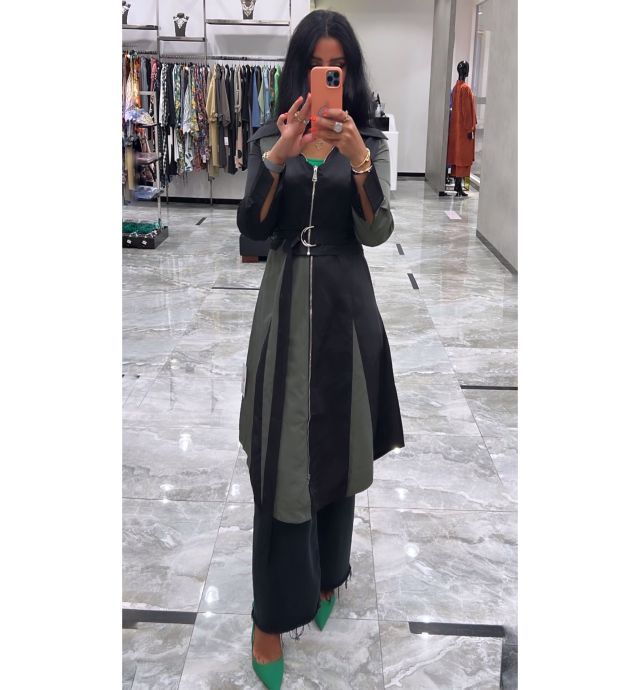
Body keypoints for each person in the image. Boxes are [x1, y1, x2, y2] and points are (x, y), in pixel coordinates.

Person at [236, 9, 404, 688]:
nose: (327, 77)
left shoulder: (368, 142)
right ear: (299, 74)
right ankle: (270, 619)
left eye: (338, 67)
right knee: (282, 464)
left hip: (345, 306)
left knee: (338, 444)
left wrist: (359, 159)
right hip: (285, 306)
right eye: (316, 66)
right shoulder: (267, 137)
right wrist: (280, 155)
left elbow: (377, 232)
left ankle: (330, 573)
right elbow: (252, 230)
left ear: (349, 75)